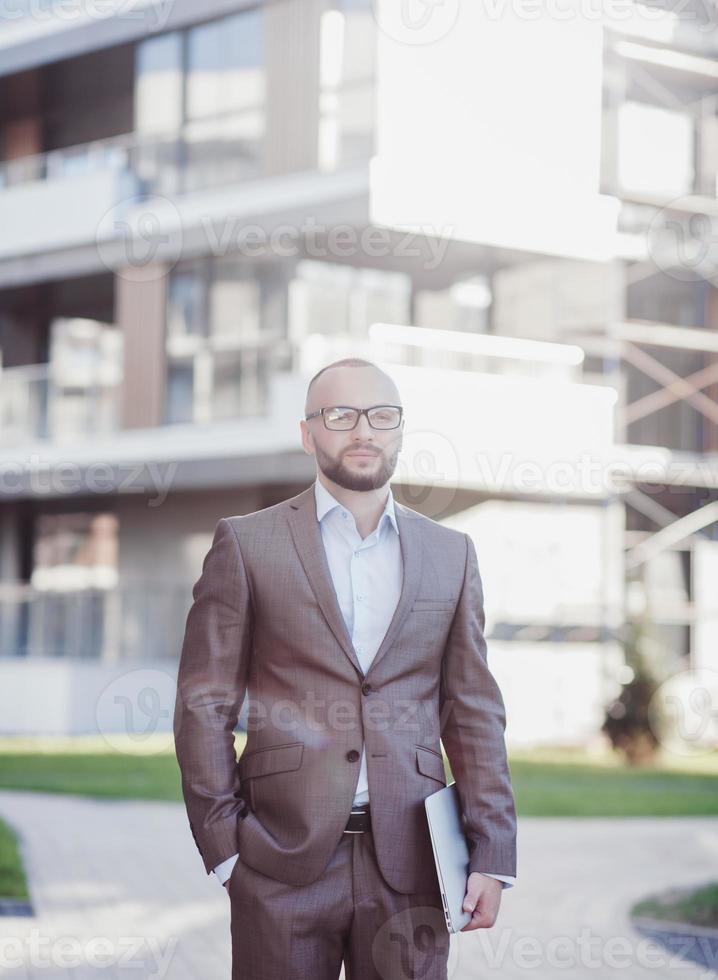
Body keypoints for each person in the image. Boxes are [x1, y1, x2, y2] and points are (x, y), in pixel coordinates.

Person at [173, 357, 517, 980]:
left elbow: (473, 711)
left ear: (400, 430)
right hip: (280, 861)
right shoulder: (247, 544)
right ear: (308, 433)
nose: (364, 431)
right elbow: (204, 703)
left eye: (382, 416)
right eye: (341, 415)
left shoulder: (451, 554)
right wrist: (225, 849)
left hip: (412, 862)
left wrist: (492, 852)